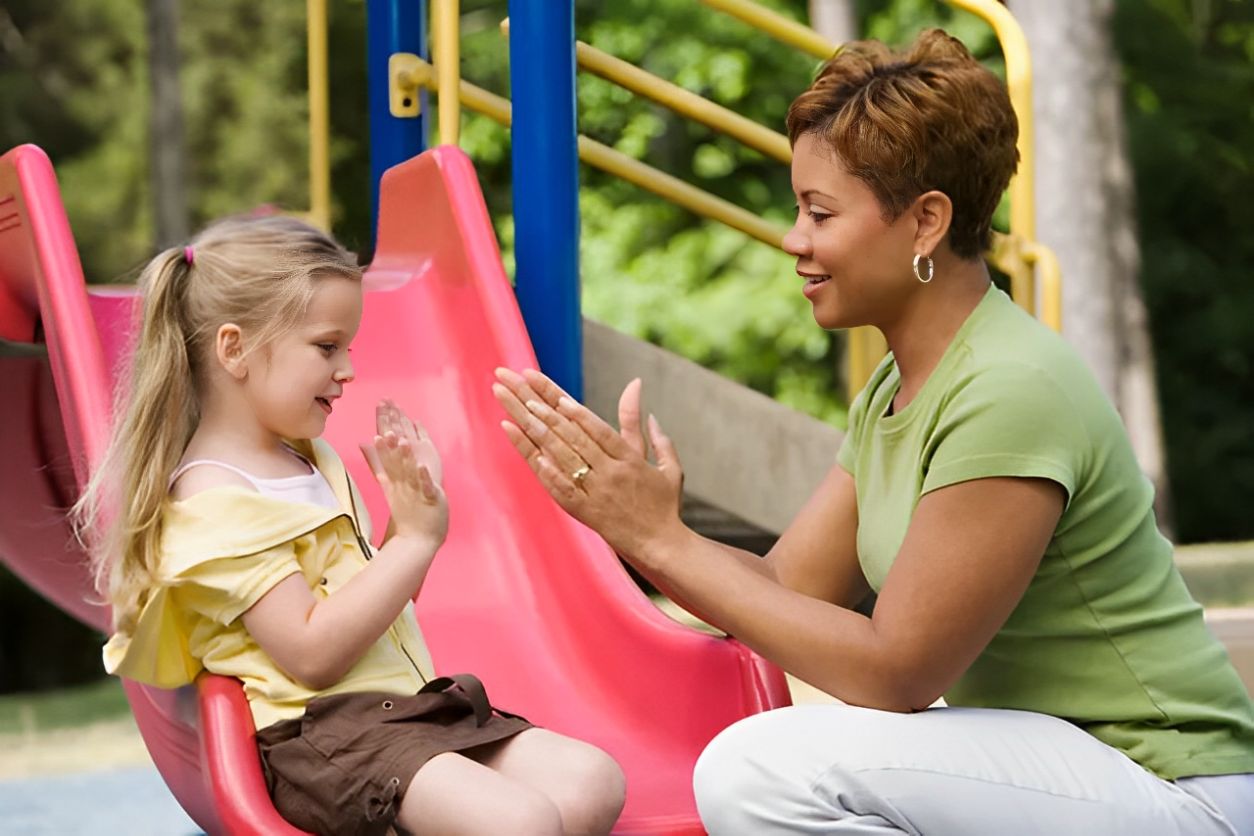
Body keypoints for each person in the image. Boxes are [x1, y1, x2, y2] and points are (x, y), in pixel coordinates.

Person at [491, 29, 1254, 835]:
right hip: (1070, 774)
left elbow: (897, 672)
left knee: (758, 770)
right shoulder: (901, 384)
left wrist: (662, 542)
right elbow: (786, 589)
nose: (793, 240)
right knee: (766, 759)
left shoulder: (1008, 388)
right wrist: (641, 525)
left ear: (925, 222)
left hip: (1175, 789)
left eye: (819, 212)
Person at [75, 214, 625, 836]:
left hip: (402, 713)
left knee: (592, 783)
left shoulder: (310, 460)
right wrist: (418, 539)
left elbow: (378, 607)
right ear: (234, 349)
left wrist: (406, 519)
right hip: (321, 737)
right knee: (521, 822)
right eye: (326, 346)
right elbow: (313, 654)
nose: (348, 370)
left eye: (349, 348)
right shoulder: (213, 498)